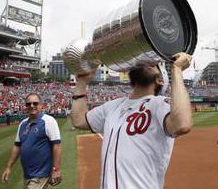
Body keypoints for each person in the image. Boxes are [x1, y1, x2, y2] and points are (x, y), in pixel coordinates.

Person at [71, 52, 193, 188]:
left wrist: (176, 70)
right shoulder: (113, 106)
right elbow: (79, 120)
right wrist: (81, 83)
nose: (145, 63)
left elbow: (181, 124)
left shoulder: (159, 104)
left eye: (153, 64)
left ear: (160, 80)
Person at [1, 92, 62, 189]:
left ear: (41, 105)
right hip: (28, 174)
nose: (32, 106)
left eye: (35, 103)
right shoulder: (23, 124)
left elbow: (57, 146)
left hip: (41, 174)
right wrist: (8, 167)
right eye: (28, 104)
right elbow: (17, 146)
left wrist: (56, 169)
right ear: (25, 106)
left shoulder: (48, 121)